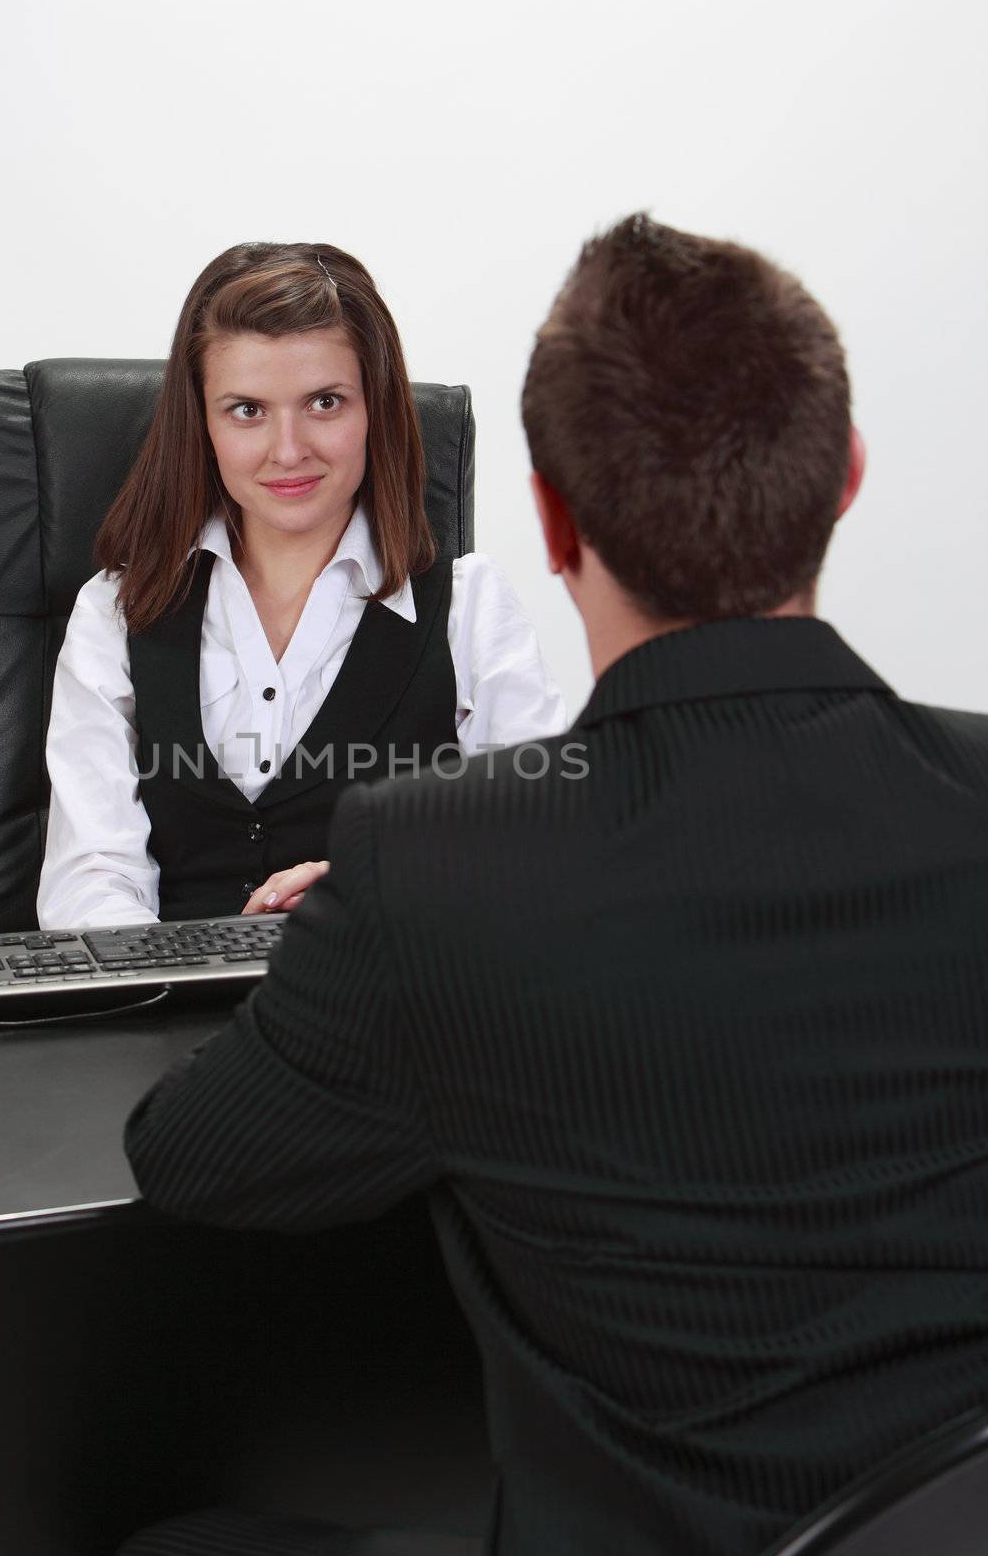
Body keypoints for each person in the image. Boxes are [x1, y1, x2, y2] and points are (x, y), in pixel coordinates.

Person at [117, 216, 988, 1555]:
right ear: (844, 480)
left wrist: (362, 948)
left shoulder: (431, 869)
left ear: (552, 518)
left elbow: (188, 1163)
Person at [36, 242, 566, 929]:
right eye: (246, 410)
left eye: (324, 401)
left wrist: (383, 887)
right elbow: (90, 876)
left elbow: (545, 849)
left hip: (389, 1006)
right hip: (167, 1017)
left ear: (373, 408)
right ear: (201, 423)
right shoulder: (115, 612)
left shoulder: (469, 607)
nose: (288, 450)